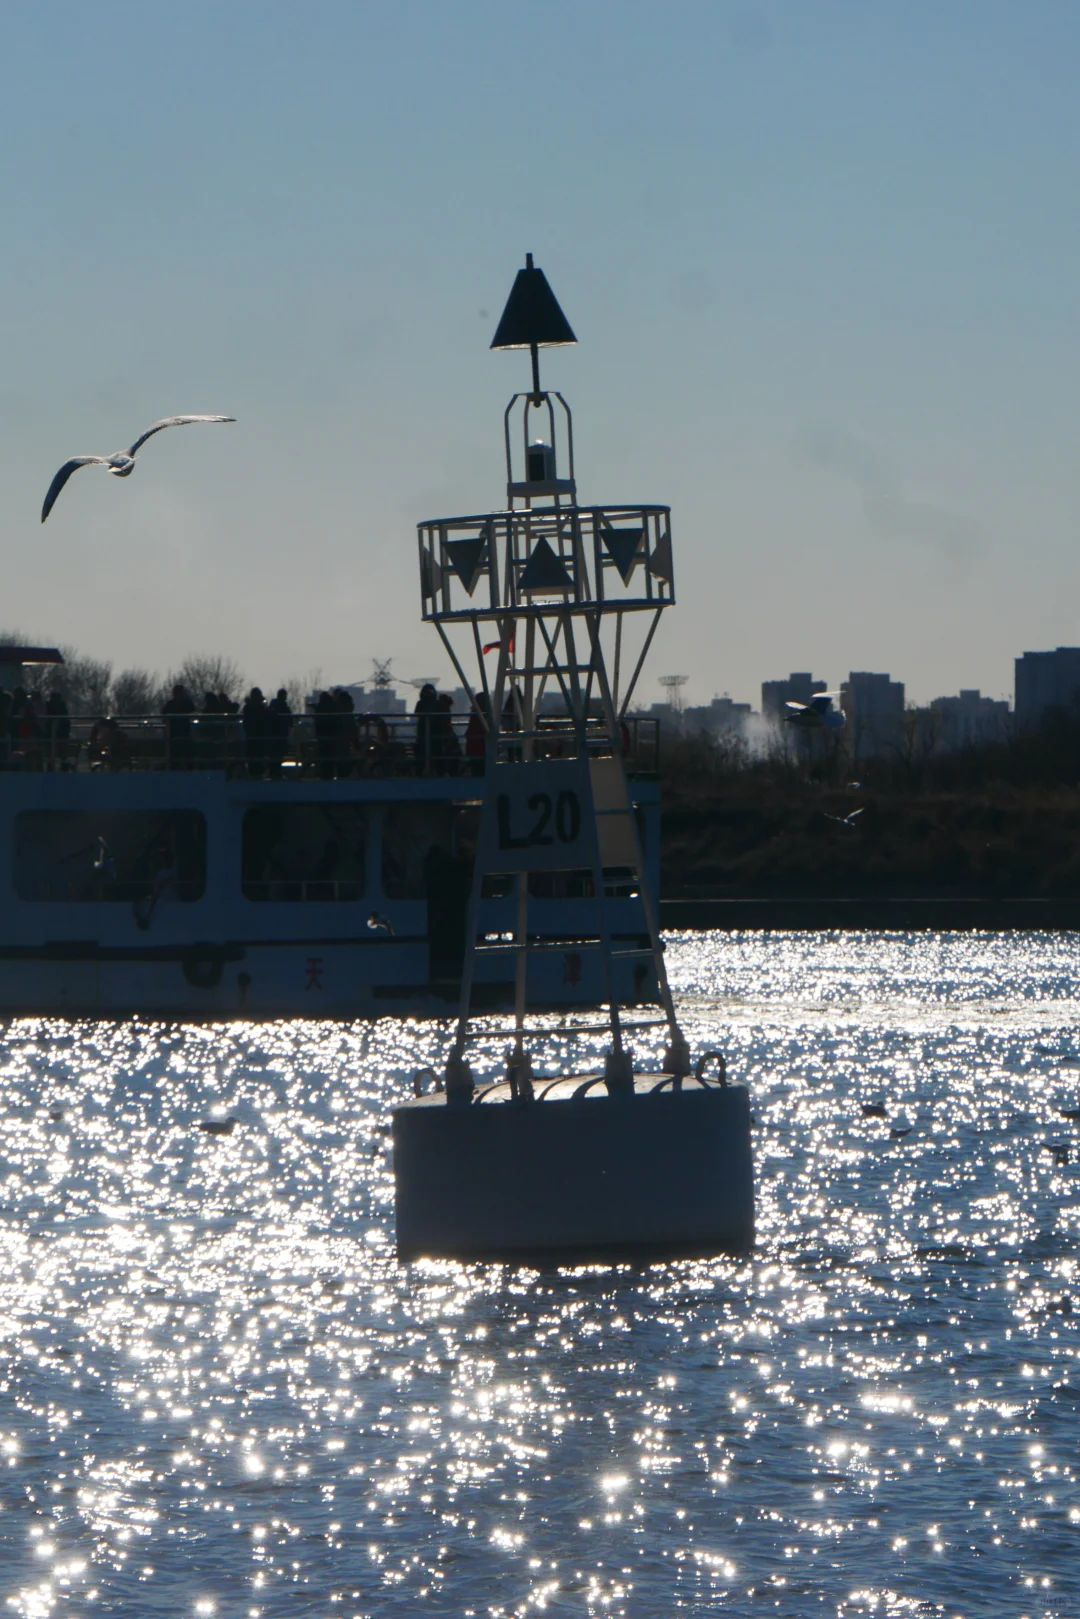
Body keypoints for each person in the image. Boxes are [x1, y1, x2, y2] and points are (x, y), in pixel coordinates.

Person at [162, 683, 196, 768]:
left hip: (181, 731)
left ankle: (185, 766)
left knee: (184, 751)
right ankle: (178, 766)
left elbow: (192, 709)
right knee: (177, 752)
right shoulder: (172, 703)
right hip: (176, 732)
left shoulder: (176, 703)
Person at [241, 686, 269, 778]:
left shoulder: (248, 708)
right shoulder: (258, 709)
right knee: (256, 758)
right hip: (256, 738)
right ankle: (256, 774)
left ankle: (255, 774)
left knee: (255, 759)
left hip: (254, 738)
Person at [432, 691, 461, 775]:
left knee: (441, 756)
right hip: (446, 736)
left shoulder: (439, 709)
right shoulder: (446, 709)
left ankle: (442, 771)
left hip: (442, 737)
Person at [413, 683, 439, 775]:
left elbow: (416, 713)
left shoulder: (423, 703)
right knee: (423, 752)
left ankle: (426, 770)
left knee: (431, 751)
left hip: (432, 731)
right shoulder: (435, 703)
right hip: (425, 731)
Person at [267, 688, 292, 779]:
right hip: (281, 735)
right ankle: (276, 773)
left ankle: (273, 773)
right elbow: (290, 721)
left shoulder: (272, 707)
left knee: (273, 756)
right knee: (279, 755)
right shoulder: (284, 708)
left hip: (272, 735)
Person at [45, 690, 70, 770]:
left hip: (62, 735)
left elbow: (66, 722)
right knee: (49, 753)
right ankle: (50, 767)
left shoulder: (63, 709)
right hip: (49, 736)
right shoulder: (48, 708)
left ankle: (64, 767)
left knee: (62, 753)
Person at [464, 692, 489, 776]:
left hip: (475, 750)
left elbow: (469, 733)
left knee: (476, 772)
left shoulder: (475, 714)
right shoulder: (486, 715)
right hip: (483, 750)